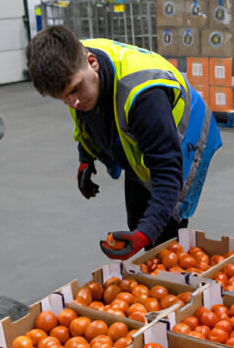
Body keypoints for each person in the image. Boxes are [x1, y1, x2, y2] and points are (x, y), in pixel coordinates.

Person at [25, 26, 222, 260]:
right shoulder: (73, 62)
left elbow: (168, 174)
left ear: (92, 62)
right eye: (63, 98)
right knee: (138, 217)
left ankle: (176, 277)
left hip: (184, 136)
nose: (73, 102)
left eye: (75, 90)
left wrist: (146, 234)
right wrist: (85, 158)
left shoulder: (144, 98)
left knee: (165, 232)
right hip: (143, 136)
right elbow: (88, 120)